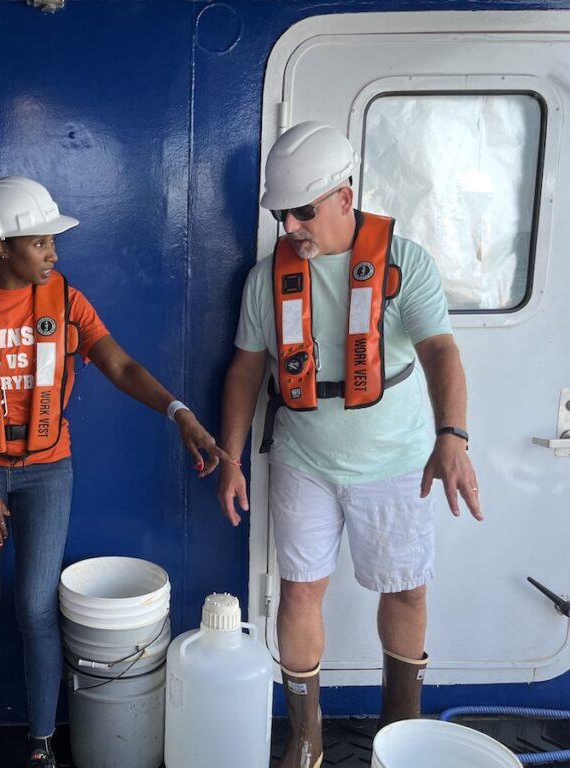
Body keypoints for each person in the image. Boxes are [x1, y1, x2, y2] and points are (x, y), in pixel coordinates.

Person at [0, 176, 226, 768]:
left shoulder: (66, 301)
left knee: (36, 605)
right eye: (41, 243)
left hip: (46, 472)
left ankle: (40, 743)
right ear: (3, 246)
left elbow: (120, 365)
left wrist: (178, 411)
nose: (54, 254)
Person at [216, 122, 483, 768]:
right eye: (282, 215)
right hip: (304, 459)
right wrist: (230, 455)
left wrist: (452, 436)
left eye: (303, 212)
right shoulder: (266, 280)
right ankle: (305, 739)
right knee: (300, 593)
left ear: (344, 196)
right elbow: (247, 370)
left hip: (395, 460)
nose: (289, 228)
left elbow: (441, 351)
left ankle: (400, 730)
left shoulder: (403, 263)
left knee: (407, 591)